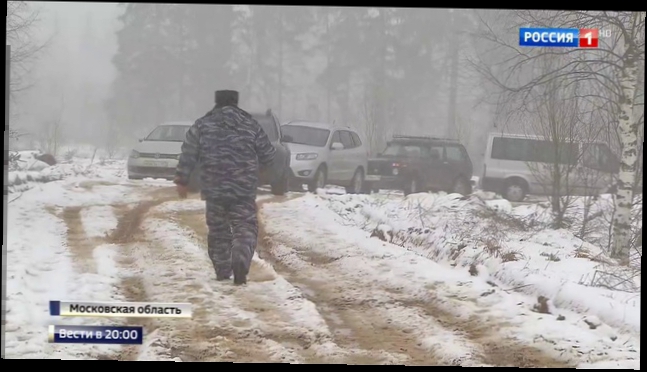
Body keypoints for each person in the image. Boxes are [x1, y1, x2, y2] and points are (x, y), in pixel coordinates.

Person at [174, 90, 276, 285]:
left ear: (216, 102)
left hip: (214, 188)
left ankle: (222, 271)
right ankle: (240, 258)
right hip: (243, 189)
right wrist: (261, 172)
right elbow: (269, 154)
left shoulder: (203, 124)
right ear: (236, 102)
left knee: (218, 231)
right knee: (245, 227)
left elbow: (188, 152)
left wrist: (182, 179)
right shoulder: (250, 124)